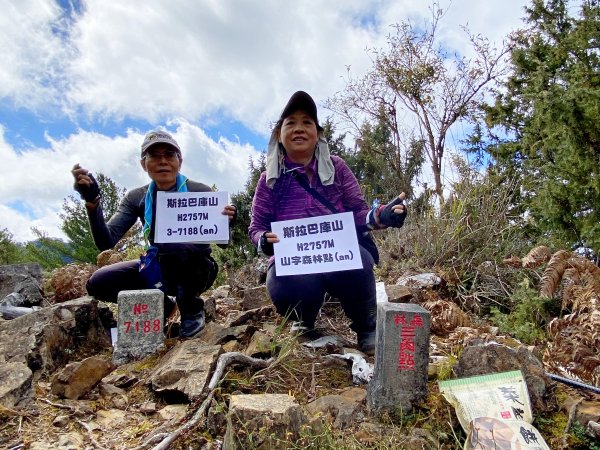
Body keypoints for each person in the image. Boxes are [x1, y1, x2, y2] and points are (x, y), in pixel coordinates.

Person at [248, 91, 407, 355]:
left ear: (318, 134)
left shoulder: (338, 168)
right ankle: (304, 320)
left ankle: (367, 326)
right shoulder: (268, 180)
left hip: (339, 256)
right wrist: (263, 240)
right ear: (279, 134)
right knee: (286, 281)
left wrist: (382, 216)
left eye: (307, 122)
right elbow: (256, 226)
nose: (299, 129)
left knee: (359, 262)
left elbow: (359, 212)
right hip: (295, 263)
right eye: (291, 123)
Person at [71, 130, 236, 338]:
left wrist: (228, 221)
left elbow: (223, 243)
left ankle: (191, 309)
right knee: (98, 282)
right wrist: (93, 202)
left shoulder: (199, 190)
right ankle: (163, 305)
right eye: (155, 156)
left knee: (178, 248)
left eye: (169, 154)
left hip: (198, 269)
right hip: (157, 266)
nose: (163, 161)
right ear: (143, 164)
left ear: (180, 161)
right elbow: (106, 241)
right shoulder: (137, 197)